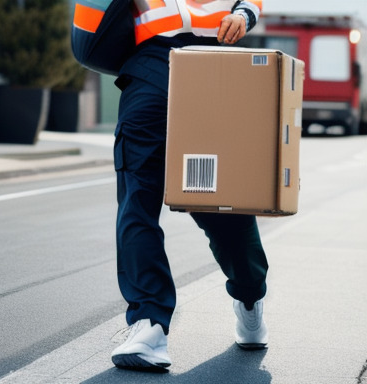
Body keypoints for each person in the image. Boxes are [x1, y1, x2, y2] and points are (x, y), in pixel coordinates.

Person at [109, 0, 269, 371]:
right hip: (149, 63)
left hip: (216, 62)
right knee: (136, 198)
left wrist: (243, 15)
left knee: (223, 203)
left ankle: (249, 295)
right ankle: (149, 323)